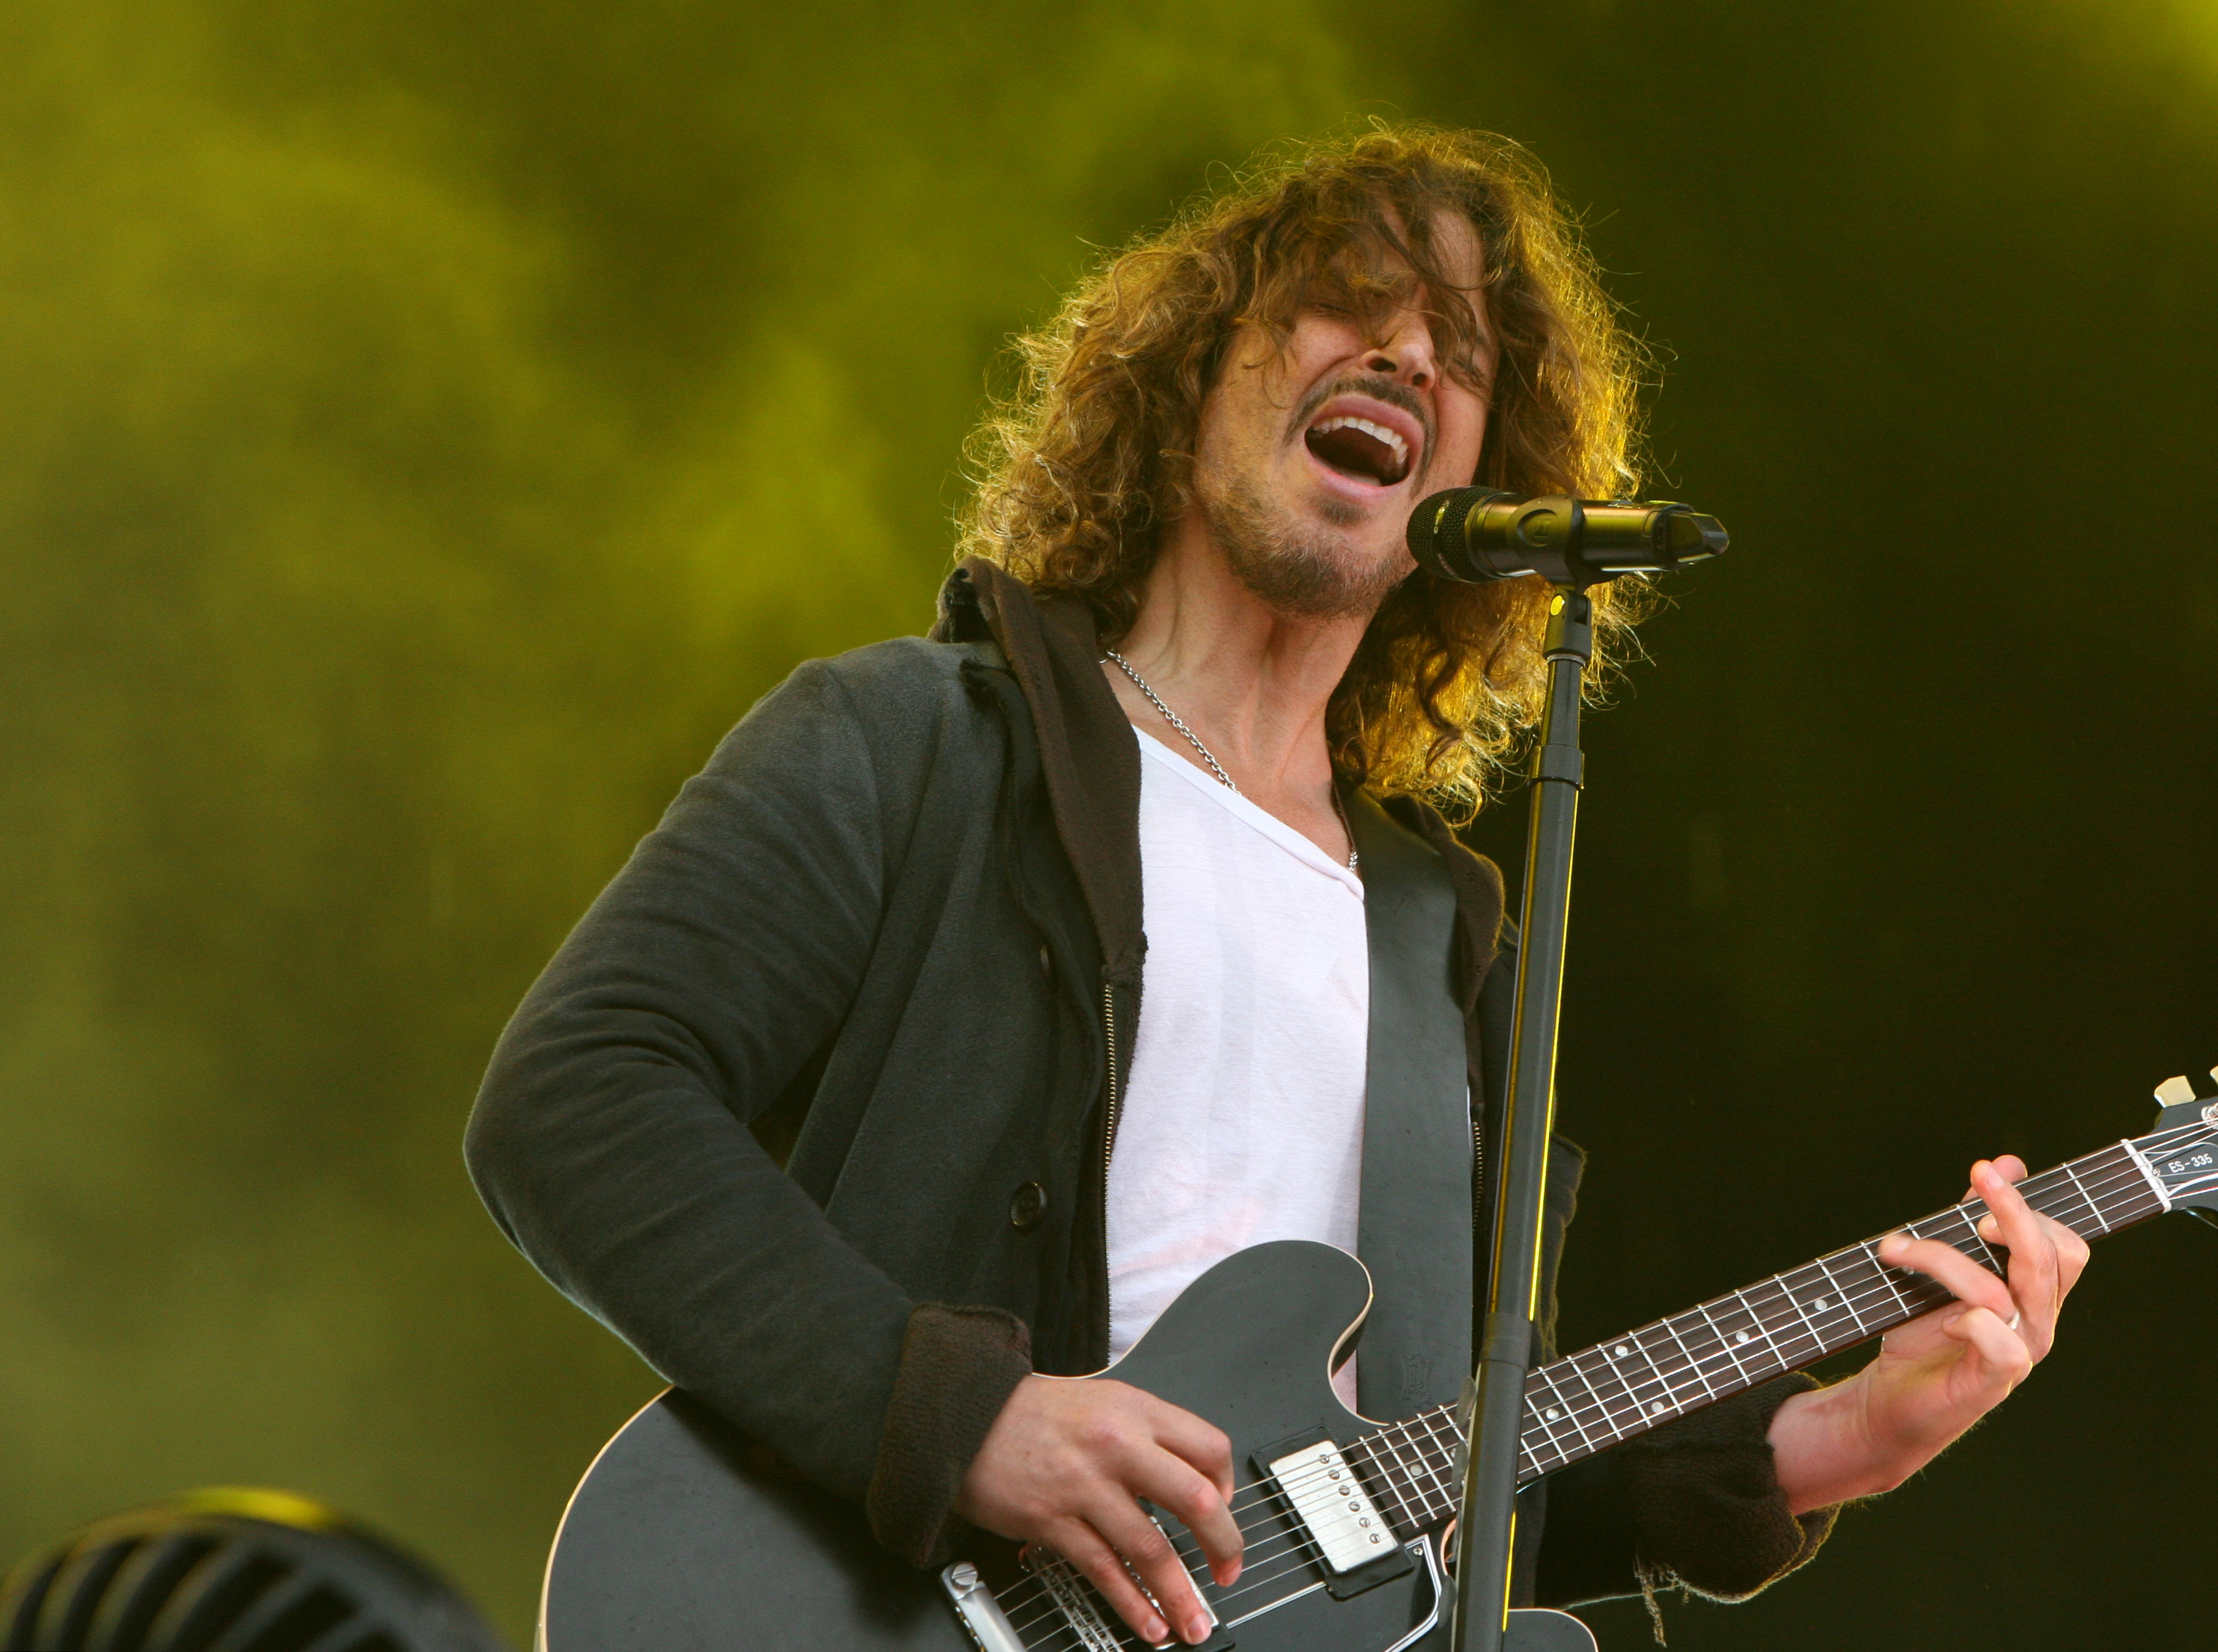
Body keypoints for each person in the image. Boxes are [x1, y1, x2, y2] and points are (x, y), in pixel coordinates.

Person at [463, 125, 2089, 1645]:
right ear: (1190, 381)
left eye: (1462, 357)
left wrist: (1833, 1440)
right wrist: (963, 1420)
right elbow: (579, 1099)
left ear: (1474, 494)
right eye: (1349, 308)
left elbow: (1396, 1490)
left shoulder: (1439, 940)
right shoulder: (920, 744)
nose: (1409, 358)